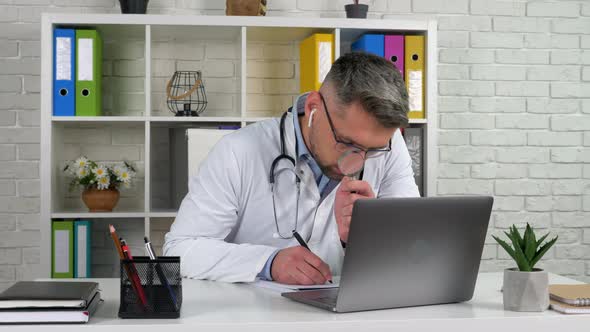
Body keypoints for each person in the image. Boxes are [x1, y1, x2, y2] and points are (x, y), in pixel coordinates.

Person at [163, 52, 419, 285]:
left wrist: (360, 239)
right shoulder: (238, 151)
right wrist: (268, 262)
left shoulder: (389, 146)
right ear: (313, 108)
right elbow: (180, 250)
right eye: (347, 143)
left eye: (372, 150)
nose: (358, 162)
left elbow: (412, 251)